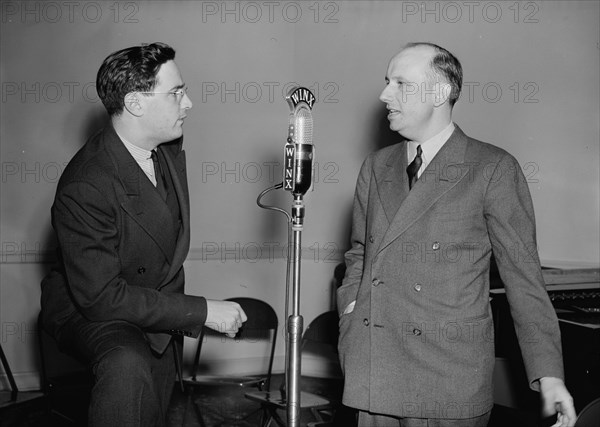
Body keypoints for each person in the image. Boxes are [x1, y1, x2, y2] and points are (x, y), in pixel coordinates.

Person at [336, 42, 577, 427]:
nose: (384, 94)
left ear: (440, 92)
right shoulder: (376, 166)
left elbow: (524, 280)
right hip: (374, 368)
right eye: (386, 82)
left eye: (400, 83)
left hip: (445, 380)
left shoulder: (492, 168)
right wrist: (352, 308)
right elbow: (359, 254)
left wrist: (549, 375)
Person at [40, 42, 247, 427]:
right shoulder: (87, 184)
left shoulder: (164, 144)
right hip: (93, 308)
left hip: (153, 303)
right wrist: (202, 311)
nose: (188, 104)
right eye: (176, 93)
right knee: (126, 364)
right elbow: (101, 298)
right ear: (135, 103)